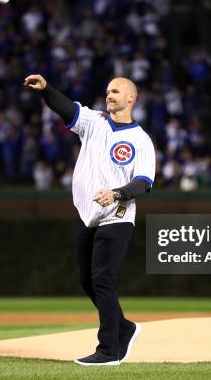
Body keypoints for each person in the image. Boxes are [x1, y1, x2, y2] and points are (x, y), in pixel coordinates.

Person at [24, 74, 156, 366]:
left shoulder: (140, 140)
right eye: (108, 90)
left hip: (117, 215)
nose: (109, 95)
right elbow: (67, 109)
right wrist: (47, 90)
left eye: (116, 91)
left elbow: (144, 182)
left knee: (103, 278)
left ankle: (109, 350)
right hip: (87, 214)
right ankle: (124, 327)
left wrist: (117, 194)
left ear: (131, 98)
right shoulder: (94, 122)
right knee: (87, 280)